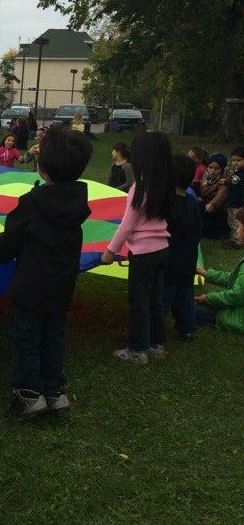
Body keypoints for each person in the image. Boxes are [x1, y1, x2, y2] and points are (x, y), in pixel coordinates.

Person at [0, 127, 93, 418]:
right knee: (54, 336)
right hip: (62, 286)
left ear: (42, 168)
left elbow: (10, 241)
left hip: (31, 287)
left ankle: (29, 394)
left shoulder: (32, 203)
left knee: (27, 338)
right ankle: (55, 392)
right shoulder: (79, 203)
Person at [101, 131, 174, 363]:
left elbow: (126, 226)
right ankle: (156, 345)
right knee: (155, 297)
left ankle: (137, 349)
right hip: (162, 248)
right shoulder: (166, 186)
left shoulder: (139, 188)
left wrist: (110, 250)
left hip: (143, 253)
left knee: (139, 300)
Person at [164, 154, 202, 342]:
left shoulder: (167, 204)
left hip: (170, 260)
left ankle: (154, 326)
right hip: (188, 257)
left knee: (163, 295)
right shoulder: (192, 202)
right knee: (184, 295)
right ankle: (187, 329)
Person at [194, 207, 244, 334]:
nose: (236, 231)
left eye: (239, 227)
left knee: (188, 310)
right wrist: (206, 273)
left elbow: (235, 296)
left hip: (237, 317)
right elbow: (233, 278)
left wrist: (207, 298)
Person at [199, 153, 229, 240]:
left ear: (222, 169)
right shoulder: (207, 175)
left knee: (200, 206)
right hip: (206, 205)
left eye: (217, 168)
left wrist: (213, 204)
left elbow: (222, 193)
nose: (212, 171)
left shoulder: (225, 179)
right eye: (210, 167)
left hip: (219, 210)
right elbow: (202, 185)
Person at [224, 147, 244, 247]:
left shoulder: (242, 174)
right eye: (233, 160)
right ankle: (233, 239)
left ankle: (237, 242)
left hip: (238, 205)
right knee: (231, 222)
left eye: (239, 160)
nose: (235, 162)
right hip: (231, 203)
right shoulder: (236, 173)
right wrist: (226, 181)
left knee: (237, 223)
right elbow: (233, 183)